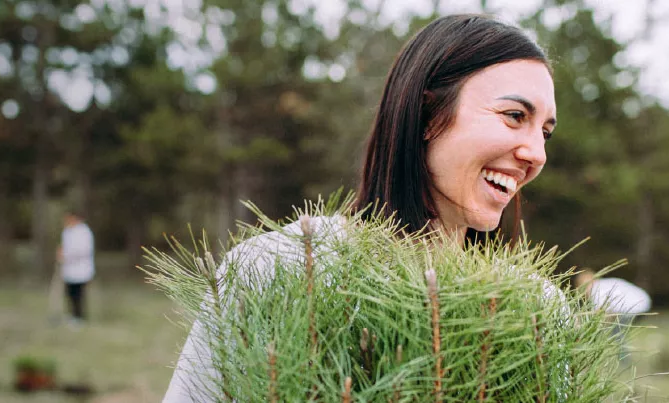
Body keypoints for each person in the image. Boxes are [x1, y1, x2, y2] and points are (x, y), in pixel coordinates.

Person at [163, 14, 556, 402]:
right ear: (428, 116)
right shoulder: (278, 270)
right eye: (514, 116)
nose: (535, 154)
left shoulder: (537, 312)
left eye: (545, 132)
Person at [57, 210, 95, 325]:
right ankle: (72, 315)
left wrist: (66, 254)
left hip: (80, 269)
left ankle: (79, 317)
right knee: (70, 294)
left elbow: (83, 250)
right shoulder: (67, 231)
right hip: (69, 269)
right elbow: (65, 246)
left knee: (78, 294)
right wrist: (61, 252)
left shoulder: (84, 232)